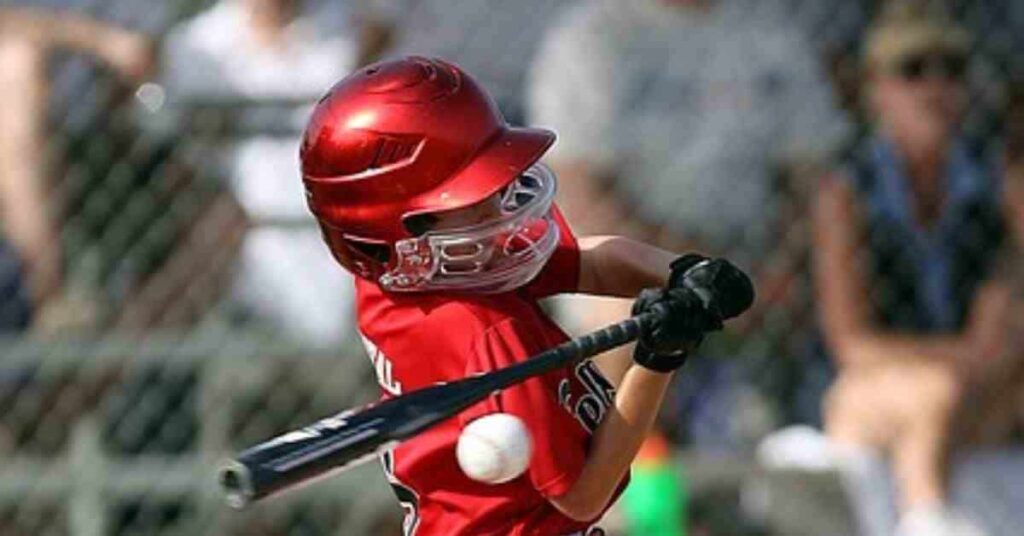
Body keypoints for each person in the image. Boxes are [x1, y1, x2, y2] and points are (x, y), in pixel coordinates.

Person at [299, 57, 753, 535]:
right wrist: (659, 359)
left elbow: (588, 262)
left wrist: (682, 273)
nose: (499, 208)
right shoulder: (486, 330)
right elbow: (584, 496)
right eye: (470, 201)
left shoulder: (415, 274)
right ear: (392, 234)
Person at [527, 0, 849, 448]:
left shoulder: (770, 30)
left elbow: (814, 176)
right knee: (618, 314)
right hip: (637, 264)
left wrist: (781, 266)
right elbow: (578, 188)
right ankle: (617, 493)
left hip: (758, 264)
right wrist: (688, 273)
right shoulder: (593, 38)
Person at [813, 4, 1022, 535]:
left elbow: (1004, 320)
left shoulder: (991, 181)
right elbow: (852, 345)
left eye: (950, 68)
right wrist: (969, 356)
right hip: (865, 390)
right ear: (875, 91)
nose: (934, 86)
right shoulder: (847, 189)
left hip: (978, 384)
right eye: (912, 69)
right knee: (935, 392)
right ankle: (929, 519)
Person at [158, 0, 366, 347]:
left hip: (341, 263)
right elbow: (187, 166)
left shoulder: (349, 35)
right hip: (238, 280)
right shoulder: (195, 47)